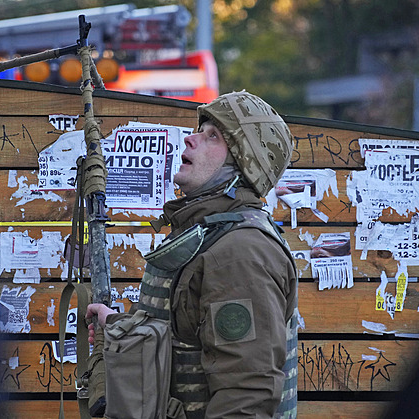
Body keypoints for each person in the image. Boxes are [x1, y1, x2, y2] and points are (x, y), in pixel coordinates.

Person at [87, 91, 298, 418]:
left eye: (213, 136)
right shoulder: (209, 235)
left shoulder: (240, 253)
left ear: (241, 165)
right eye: (200, 129)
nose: (190, 138)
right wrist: (117, 326)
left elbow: (246, 396)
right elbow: (183, 341)